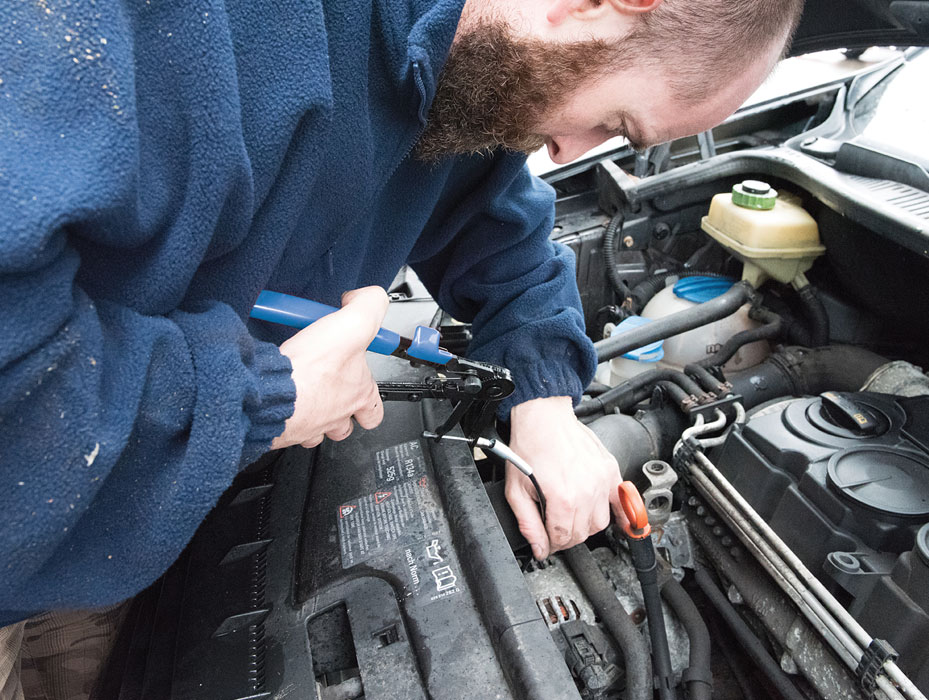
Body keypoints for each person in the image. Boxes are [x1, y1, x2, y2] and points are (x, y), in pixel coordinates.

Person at [0, 0, 804, 696]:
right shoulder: (135, 28)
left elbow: (502, 233)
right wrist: (264, 395)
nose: (570, 152)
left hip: (117, 533)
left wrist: (546, 399)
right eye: (614, 123)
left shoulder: (465, 69)